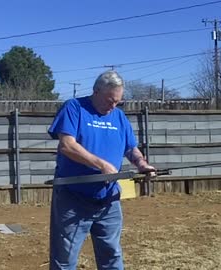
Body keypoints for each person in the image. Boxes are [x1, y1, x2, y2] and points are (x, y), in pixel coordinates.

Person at [47, 70, 155, 270]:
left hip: (109, 199)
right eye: (109, 100)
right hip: (73, 198)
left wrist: (141, 164)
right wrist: (102, 165)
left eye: (117, 102)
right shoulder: (75, 108)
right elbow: (67, 146)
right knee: (65, 258)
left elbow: (131, 149)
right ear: (96, 91)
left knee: (111, 255)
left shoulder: (119, 117)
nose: (113, 106)